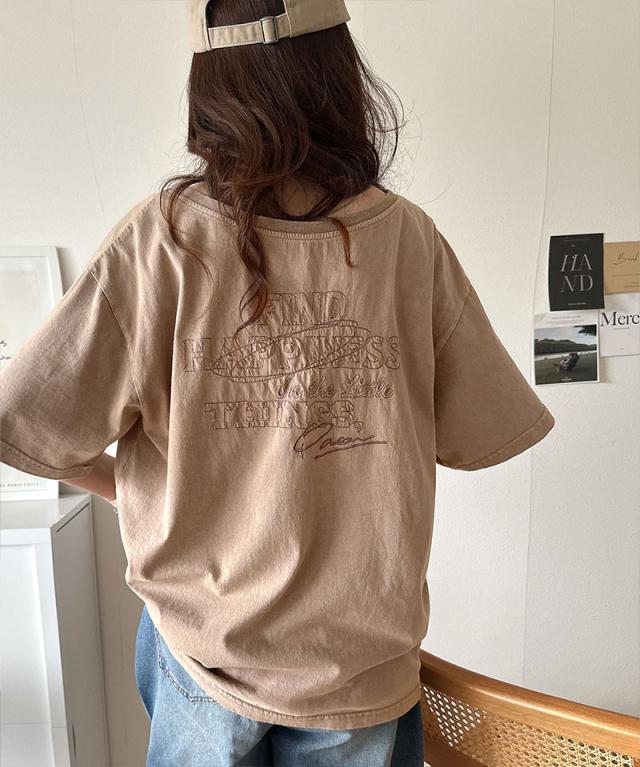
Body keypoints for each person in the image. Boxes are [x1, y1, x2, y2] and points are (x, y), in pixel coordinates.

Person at [0, 0, 556, 764]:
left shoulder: (162, 242)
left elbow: (26, 421)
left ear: (210, 84)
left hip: (204, 651)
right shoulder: (406, 242)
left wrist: (139, 489)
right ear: (339, 73)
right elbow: (480, 427)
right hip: (356, 668)